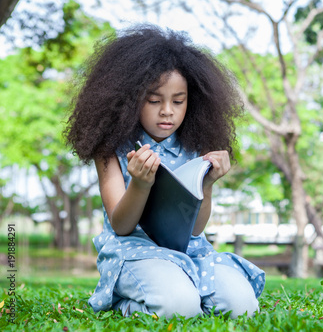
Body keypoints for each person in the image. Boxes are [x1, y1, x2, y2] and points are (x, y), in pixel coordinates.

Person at [65, 24, 265, 319]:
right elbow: (121, 225)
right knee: (177, 308)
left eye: (178, 101)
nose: (167, 111)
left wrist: (207, 184)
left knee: (242, 307)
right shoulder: (111, 148)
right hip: (134, 250)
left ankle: (186, 290)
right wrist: (140, 184)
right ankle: (124, 302)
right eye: (154, 100)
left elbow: (195, 229)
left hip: (190, 252)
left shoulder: (196, 144)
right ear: (129, 99)